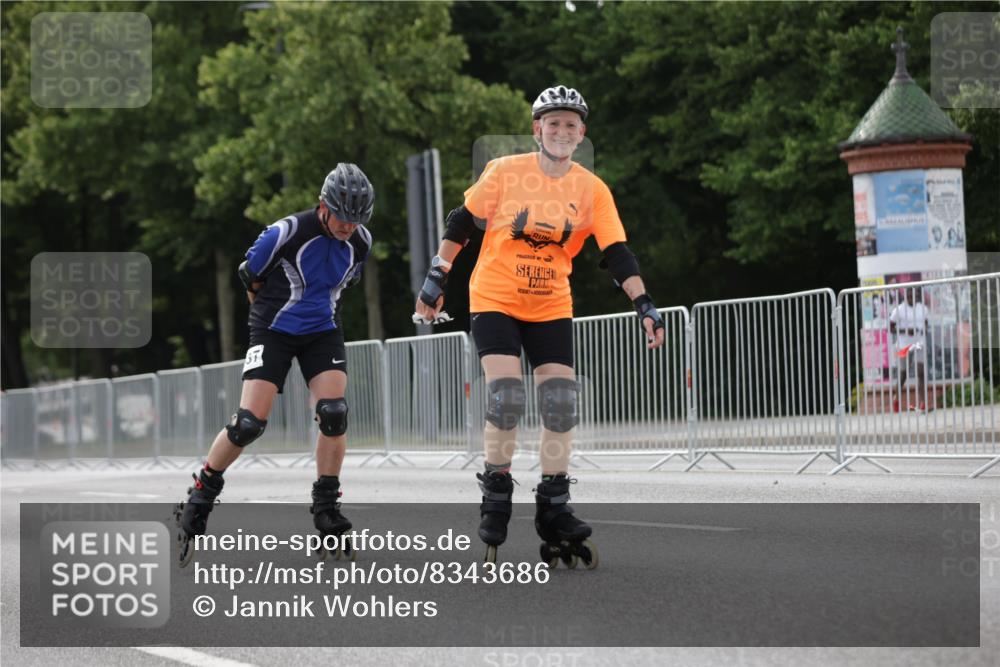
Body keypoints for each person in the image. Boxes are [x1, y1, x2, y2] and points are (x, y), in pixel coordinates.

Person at [414, 85, 666, 569]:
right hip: (495, 297)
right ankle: (497, 491)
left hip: (551, 302)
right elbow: (462, 223)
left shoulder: (592, 189)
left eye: (572, 125)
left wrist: (645, 304)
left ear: (582, 134)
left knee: (560, 401)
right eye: (554, 123)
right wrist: (436, 276)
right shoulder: (505, 172)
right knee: (506, 392)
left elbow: (616, 253)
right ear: (538, 130)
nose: (562, 132)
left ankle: (553, 505)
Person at [174, 163, 374, 566]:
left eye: (356, 220)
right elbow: (250, 276)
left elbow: (341, 285)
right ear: (323, 205)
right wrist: (268, 322)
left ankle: (326, 507)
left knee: (334, 413)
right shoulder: (286, 232)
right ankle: (202, 491)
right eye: (342, 217)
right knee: (249, 422)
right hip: (273, 329)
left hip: (322, 331)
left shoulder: (361, 242)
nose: (348, 227)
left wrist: (318, 317)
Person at [888, 286, 931, 413]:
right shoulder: (899, 310)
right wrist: (906, 331)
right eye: (910, 295)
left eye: (916, 294)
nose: (913, 297)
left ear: (918, 296)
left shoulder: (923, 309)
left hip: (919, 343)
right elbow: (891, 328)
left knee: (921, 372)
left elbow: (926, 323)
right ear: (906, 296)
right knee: (903, 374)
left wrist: (922, 330)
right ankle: (896, 399)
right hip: (903, 345)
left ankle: (923, 403)